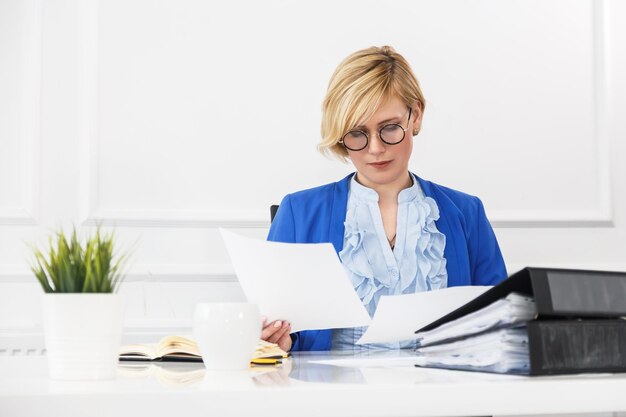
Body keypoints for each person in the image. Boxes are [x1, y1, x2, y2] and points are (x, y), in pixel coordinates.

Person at [262, 46, 507, 352]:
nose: (375, 148)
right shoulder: (298, 212)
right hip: (330, 395)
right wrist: (278, 341)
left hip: (440, 391)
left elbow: (501, 326)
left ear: (415, 115)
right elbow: (280, 336)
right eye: (357, 133)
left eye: (389, 128)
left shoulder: (466, 212)